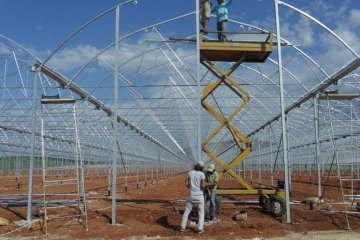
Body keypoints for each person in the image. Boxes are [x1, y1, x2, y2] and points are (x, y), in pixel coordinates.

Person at [180, 161, 215, 233]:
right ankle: (200, 229)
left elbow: (186, 184)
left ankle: (182, 228)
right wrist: (212, 184)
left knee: (186, 212)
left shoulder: (189, 173)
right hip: (199, 196)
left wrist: (191, 186)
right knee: (201, 213)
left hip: (191, 196)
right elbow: (203, 185)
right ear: (202, 167)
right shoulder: (202, 174)